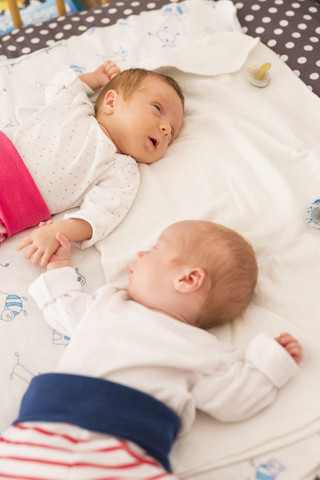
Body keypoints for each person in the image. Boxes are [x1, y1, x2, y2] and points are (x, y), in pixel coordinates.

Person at [0, 220, 303, 479]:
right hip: (45, 428)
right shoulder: (108, 303)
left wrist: (269, 364)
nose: (140, 253)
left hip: (128, 448)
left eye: (156, 249)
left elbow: (231, 399)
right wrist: (58, 264)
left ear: (188, 279)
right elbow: (62, 307)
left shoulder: (207, 351)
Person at [0, 60, 184, 266]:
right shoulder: (75, 107)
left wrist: (59, 231)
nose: (166, 128)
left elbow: (100, 216)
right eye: (157, 108)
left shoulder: (122, 170)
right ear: (111, 102)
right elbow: (61, 85)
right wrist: (95, 79)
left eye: (173, 133)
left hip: (9, 210)